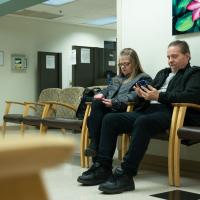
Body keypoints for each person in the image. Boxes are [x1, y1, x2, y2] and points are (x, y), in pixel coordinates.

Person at [77, 40, 200, 194]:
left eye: (174, 56)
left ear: (187, 56)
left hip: (169, 112)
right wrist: (142, 94)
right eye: (168, 57)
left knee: (143, 122)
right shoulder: (163, 73)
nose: (170, 60)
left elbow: (192, 96)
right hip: (147, 109)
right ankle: (103, 167)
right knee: (110, 119)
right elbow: (148, 92)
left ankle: (126, 175)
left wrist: (159, 95)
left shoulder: (195, 73)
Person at [84, 48, 152, 157]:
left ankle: (95, 147)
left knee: (93, 120)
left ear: (135, 64)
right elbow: (108, 89)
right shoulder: (117, 78)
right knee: (96, 103)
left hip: (124, 110)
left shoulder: (143, 78)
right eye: (120, 64)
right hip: (110, 107)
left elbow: (133, 96)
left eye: (126, 64)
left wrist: (115, 102)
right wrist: (102, 93)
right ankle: (95, 145)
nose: (123, 67)